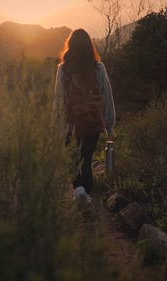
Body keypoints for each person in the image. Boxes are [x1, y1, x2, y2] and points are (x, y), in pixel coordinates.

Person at [54, 29, 116, 204]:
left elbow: (58, 100)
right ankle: (85, 193)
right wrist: (109, 125)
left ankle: (79, 190)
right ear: (90, 46)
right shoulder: (98, 68)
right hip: (92, 122)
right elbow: (107, 96)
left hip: (70, 125)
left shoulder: (63, 70)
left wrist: (56, 127)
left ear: (70, 46)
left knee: (73, 160)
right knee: (86, 159)